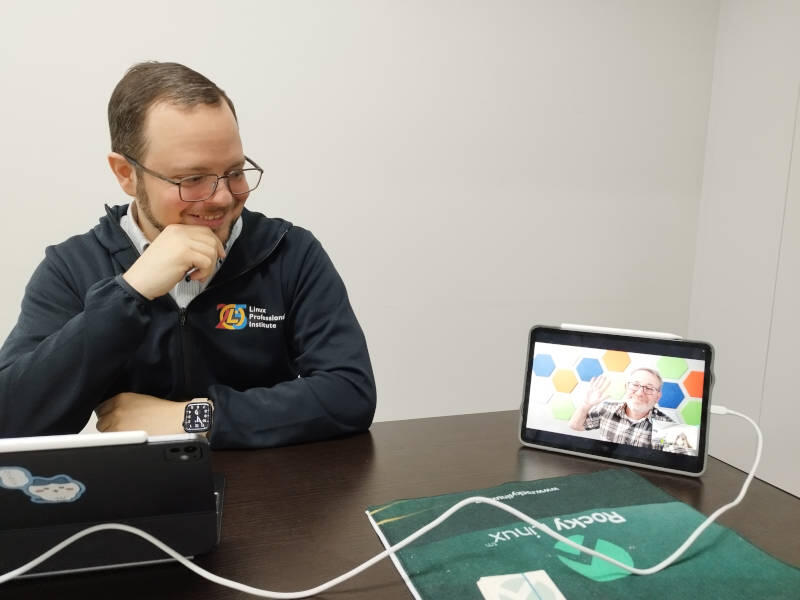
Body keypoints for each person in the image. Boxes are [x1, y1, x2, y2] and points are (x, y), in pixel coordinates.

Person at [0, 62, 376, 448]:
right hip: (136, 486)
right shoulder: (71, 268)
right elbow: (10, 421)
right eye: (192, 179)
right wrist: (130, 292)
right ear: (126, 173)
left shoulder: (289, 252)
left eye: (235, 172)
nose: (223, 198)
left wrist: (196, 418)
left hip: (273, 484)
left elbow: (350, 394)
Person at [567, 367, 673, 448]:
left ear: (658, 396)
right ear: (626, 387)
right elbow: (575, 425)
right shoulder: (605, 409)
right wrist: (586, 405)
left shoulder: (668, 427)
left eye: (649, 388)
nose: (640, 393)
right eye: (635, 385)